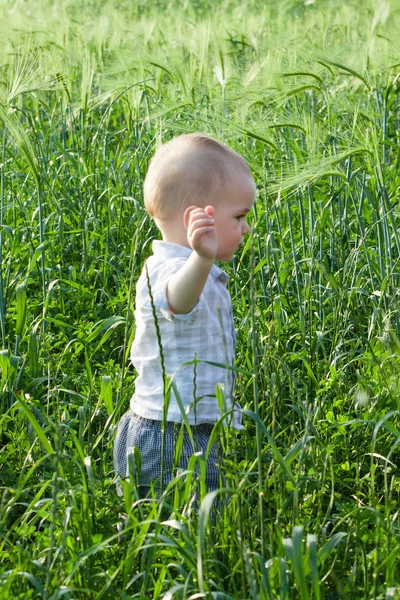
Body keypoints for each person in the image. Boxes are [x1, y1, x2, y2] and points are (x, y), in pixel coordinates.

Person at [114, 132, 256, 500]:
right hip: (167, 437)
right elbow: (178, 301)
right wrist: (202, 257)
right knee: (188, 528)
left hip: (187, 429)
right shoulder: (168, 272)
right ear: (198, 220)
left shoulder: (192, 269)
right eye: (239, 216)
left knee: (178, 522)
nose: (246, 228)